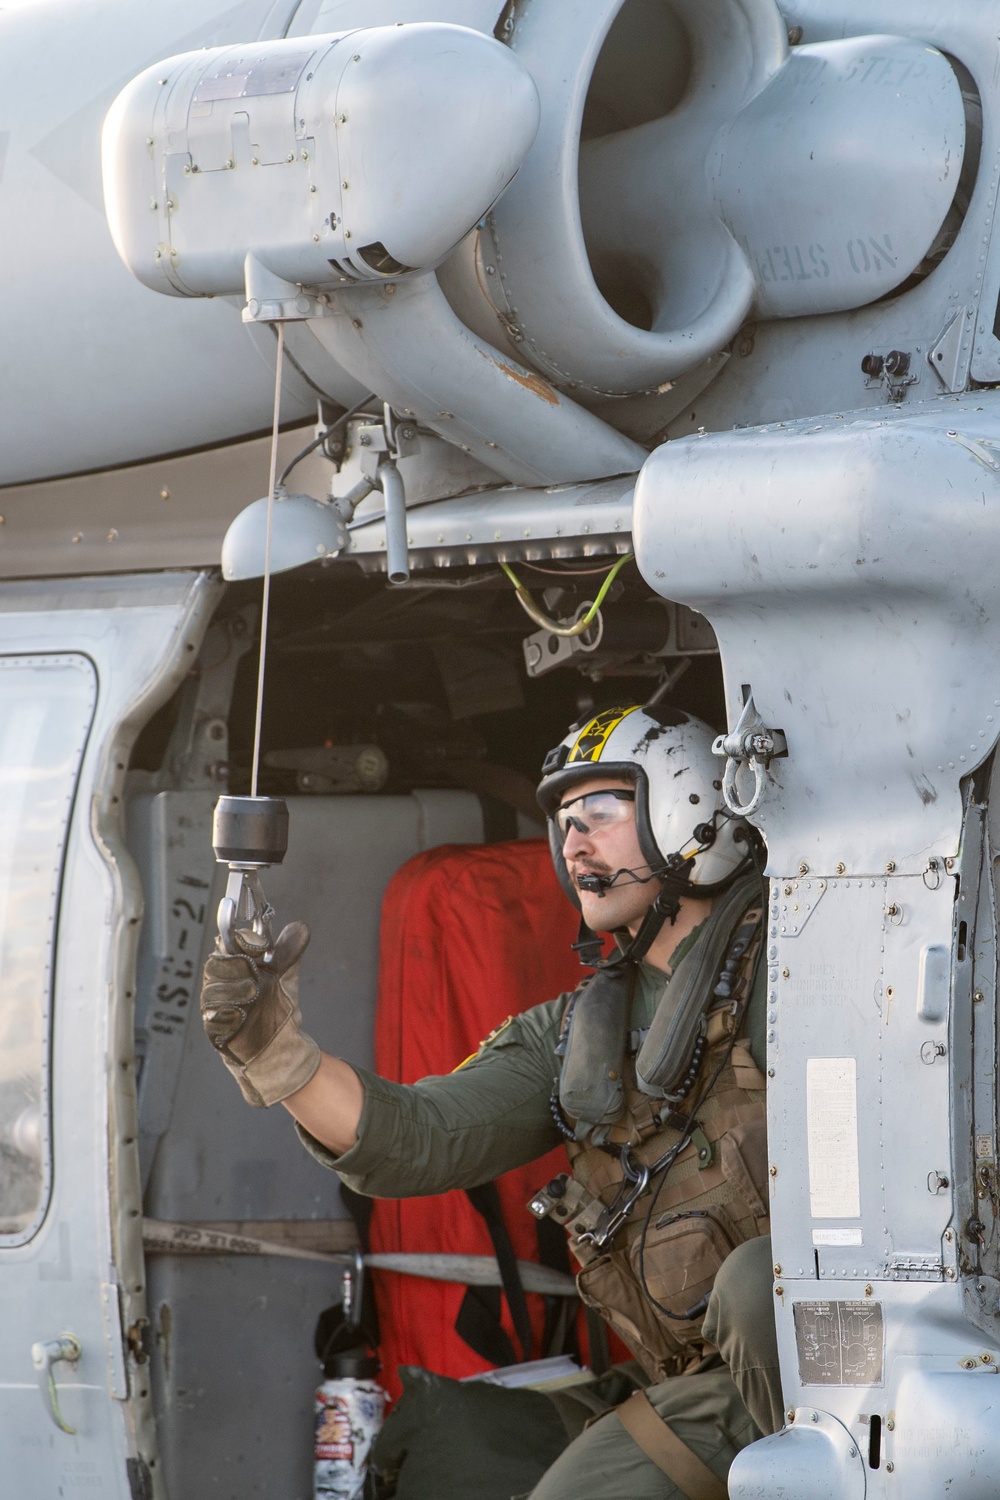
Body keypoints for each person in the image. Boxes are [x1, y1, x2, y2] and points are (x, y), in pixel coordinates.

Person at [200, 704, 781, 1498]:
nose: (574, 842)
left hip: (837, 1356)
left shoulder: (799, 964)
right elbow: (417, 1135)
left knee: (756, 1284)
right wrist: (281, 1060)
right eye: (565, 822)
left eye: (602, 813)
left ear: (687, 813)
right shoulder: (578, 1035)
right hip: (705, 1382)